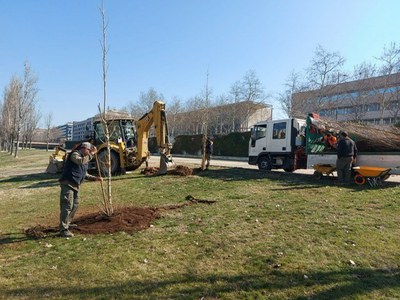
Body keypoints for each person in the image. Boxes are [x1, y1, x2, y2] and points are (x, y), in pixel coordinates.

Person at [58, 142, 102, 237]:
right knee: (67, 206)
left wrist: (95, 178)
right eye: (89, 150)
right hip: (68, 184)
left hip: (75, 185)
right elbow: (80, 161)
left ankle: (68, 223)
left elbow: (85, 174)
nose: (89, 152)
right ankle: (63, 229)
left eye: (90, 151)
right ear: (84, 148)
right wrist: (92, 154)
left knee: (75, 205)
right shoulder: (75, 154)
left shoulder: (85, 159)